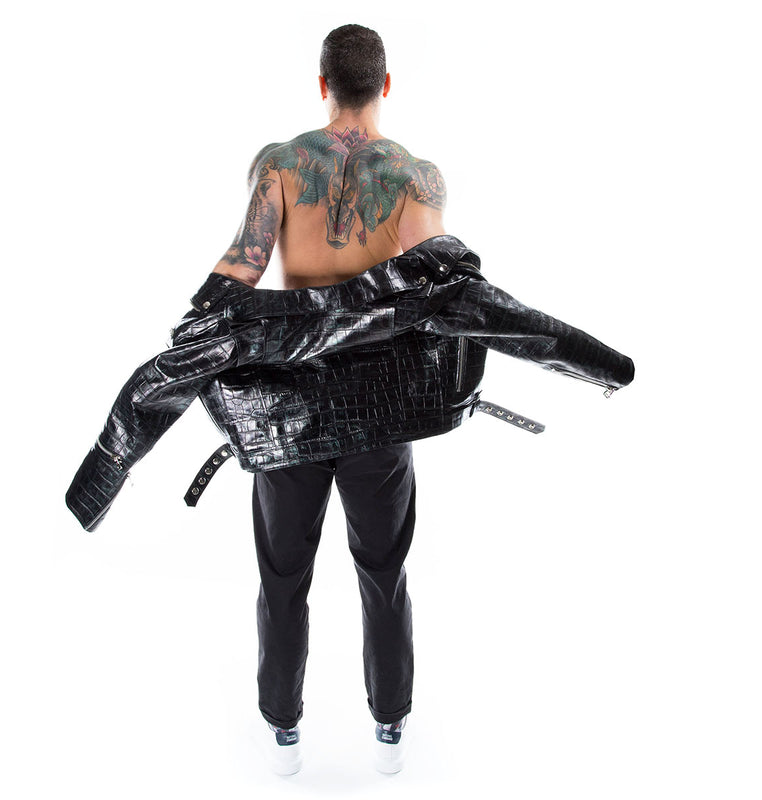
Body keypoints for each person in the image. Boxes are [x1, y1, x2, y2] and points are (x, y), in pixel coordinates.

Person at [210, 23, 445, 776]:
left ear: (321, 86)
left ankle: (282, 734)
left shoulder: (280, 167)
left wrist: (191, 340)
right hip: (379, 408)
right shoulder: (413, 178)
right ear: (385, 85)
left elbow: (241, 269)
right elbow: (437, 289)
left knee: (283, 577)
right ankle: (390, 731)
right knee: (384, 571)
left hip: (291, 410)